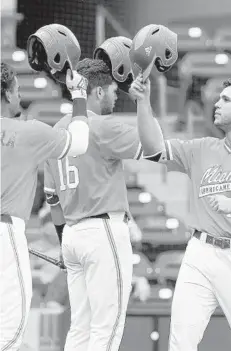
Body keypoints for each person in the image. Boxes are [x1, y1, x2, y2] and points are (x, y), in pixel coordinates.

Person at [131, 74, 231, 351]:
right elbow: (153, 150)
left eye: (226, 100)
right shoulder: (201, 148)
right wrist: (143, 102)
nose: (217, 103)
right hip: (200, 253)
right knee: (180, 342)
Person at [43, 53, 148, 351]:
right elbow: (152, 145)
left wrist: (64, 241)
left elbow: (52, 198)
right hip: (102, 231)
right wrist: (144, 102)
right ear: (98, 91)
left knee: (81, 329)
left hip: (72, 235)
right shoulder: (103, 125)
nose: (116, 96)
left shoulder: (56, 131)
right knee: (107, 328)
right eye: (114, 90)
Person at [0, 26, 89, 350]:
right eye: (16, 89)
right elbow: (79, 142)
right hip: (5, 233)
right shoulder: (28, 131)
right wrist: (78, 96)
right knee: (9, 331)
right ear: (8, 93)